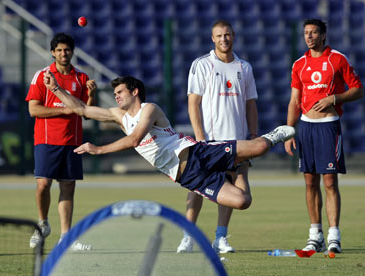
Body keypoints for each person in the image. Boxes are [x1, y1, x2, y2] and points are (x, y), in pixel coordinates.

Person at [43, 73, 294, 216]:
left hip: (197, 154)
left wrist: (97, 149)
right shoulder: (118, 116)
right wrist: (55, 89)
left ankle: (272, 136)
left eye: (120, 91)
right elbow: (83, 109)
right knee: (242, 202)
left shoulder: (149, 109)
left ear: (135, 92)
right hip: (189, 178)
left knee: (260, 147)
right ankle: (240, 168)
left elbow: (134, 140)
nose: (116, 96)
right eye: (116, 93)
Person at [177, 20, 259, 254]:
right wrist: (200, 137)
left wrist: (252, 136)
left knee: (233, 188)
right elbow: (194, 103)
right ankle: (188, 237)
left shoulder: (244, 67)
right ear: (212, 38)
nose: (224, 39)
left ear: (234, 36)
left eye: (227, 35)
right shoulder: (202, 65)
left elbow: (250, 105)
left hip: (237, 141)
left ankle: (220, 238)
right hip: (210, 141)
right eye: (219, 36)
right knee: (196, 188)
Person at [284, 19, 363, 253]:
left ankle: (334, 236)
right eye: (306, 33)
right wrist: (290, 131)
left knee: (329, 182)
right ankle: (315, 234)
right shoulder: (299, 64)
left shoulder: (337, 59)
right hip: (306, 127)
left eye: (314, 33)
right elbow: (294, 101)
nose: (309, 37)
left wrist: (334, 98)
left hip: (328, 127)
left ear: (323, 35)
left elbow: (357, 89)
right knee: (310, 182)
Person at [25, 33, 97, 250]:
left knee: (68, 188)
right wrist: (65, 109)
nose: (63, 54)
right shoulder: (43, 76)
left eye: (67, 50)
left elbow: (86, 113)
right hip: (46, 139)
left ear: (72, 52)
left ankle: (66, 236)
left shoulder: (81, 78)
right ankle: (43, 223)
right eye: (59, 50)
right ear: (52, 52)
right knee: (43, 184)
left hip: (72, 141)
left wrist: (91, 95)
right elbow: (33, 109)